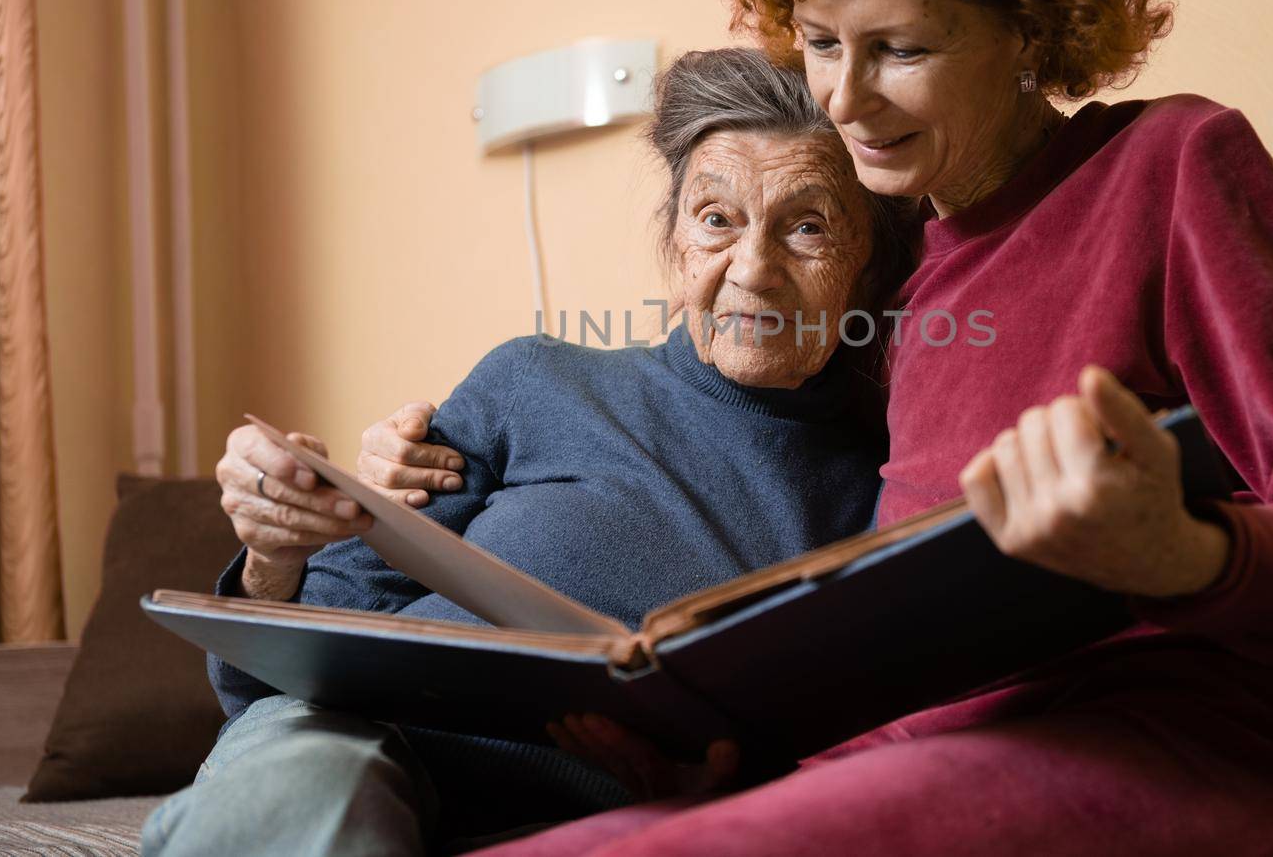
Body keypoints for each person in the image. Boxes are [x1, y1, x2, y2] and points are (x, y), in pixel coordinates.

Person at [435, 0, 1273, 854]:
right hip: (933, 760)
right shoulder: (897, 279)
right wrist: (740, 766)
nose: (840, 96)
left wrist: (1190, 550)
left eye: (901, 48)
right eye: (821, 40)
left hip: (1204, 746)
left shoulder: (1170, 166)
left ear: (1029, 26)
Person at [139, 47, 917, 857]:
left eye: (807, 225)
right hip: (358, 750)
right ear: (675, 244)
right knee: (306, 800)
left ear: (866, 269)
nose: (753, 270)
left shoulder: (883, 486)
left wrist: (715, 793)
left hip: (596, 816)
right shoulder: (534, 379)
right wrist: (274, 552)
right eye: (717, 219)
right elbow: (276, 676)